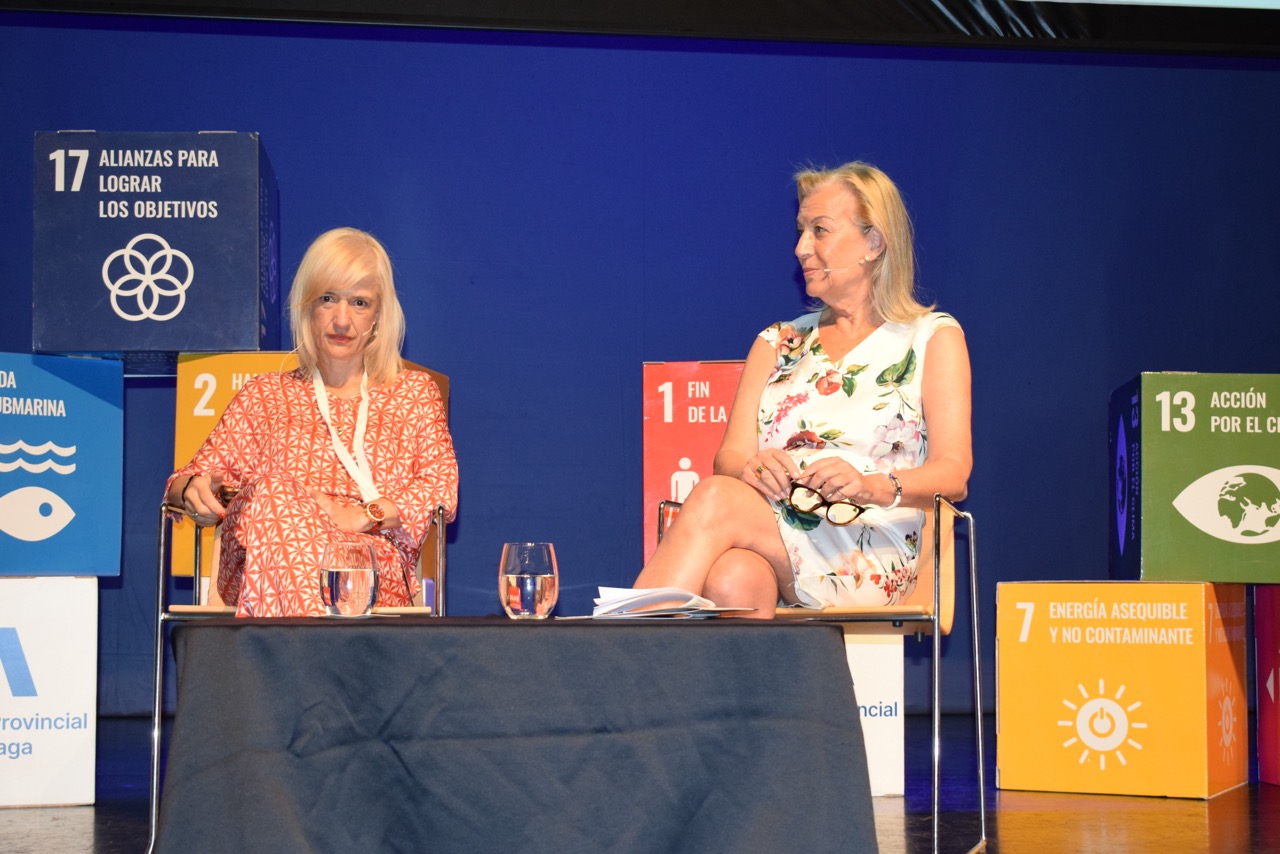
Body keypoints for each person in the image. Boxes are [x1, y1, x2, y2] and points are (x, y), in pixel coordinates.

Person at [634, 162, 971, 619]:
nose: (801, 248)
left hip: (869, 543)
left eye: (820, 230)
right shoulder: (778, 342)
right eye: (800, 231)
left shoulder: (932, 337)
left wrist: (869, 485)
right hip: (781, 527)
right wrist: (754, 467)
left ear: (873, 243)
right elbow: (730, 459)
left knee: (715, 498)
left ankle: (619, 651)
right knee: (733, 577)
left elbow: (954, 474)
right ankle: (749, 675)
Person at [164, 227, 459, 617]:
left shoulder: (412, 393)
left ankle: (292, 652)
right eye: (328, 299)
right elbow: (182, 482)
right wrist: (191, 490)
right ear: (307, 306)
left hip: (368, 571)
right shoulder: (264, 395)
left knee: (286, 506)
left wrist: (362, 515)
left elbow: (441, 487)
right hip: (260, 564)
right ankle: (313, 648)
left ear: (378, 316)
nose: (342, 320)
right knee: (275, 493)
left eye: (359, 303)